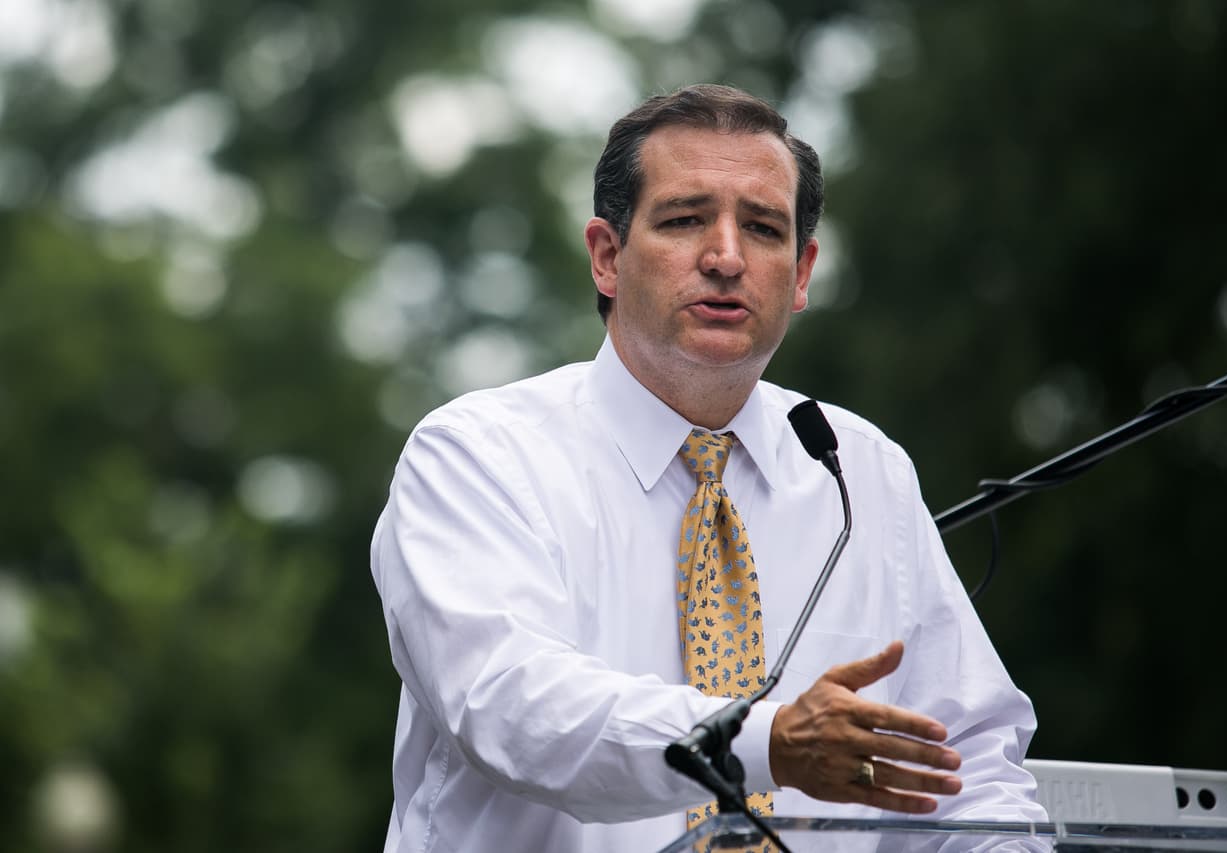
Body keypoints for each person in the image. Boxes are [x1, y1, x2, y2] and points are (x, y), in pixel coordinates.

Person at [370, 84, 1047, 853]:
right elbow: (511, 708)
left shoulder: (861, 470)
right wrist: (762, 741)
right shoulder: (478, 455)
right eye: (685, 220)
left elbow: (968, 766)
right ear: (607, 257)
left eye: (762, 228)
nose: (726, 257)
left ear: (801, 272)